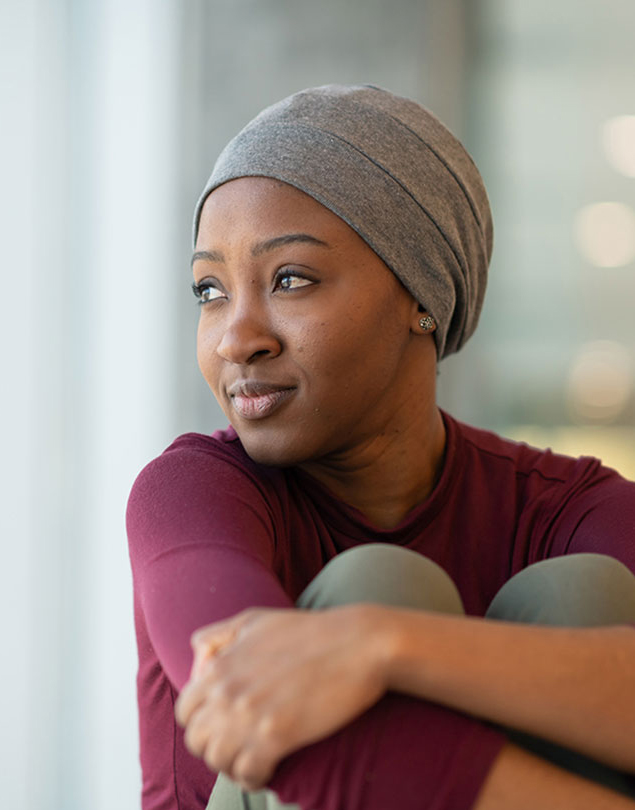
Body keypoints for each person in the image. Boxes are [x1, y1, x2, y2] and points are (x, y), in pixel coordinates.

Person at [126, 84, 635, 810]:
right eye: (209, 291)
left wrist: (382, 645)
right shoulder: (189, 493)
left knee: (582, 593)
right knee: (382, 584)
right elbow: (267, 715)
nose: (236, 337)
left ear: (420, 297)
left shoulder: (573, 510)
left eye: (290, 279)